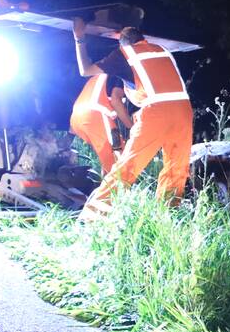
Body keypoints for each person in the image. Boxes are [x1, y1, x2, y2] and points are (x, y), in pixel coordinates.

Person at [73, 18, 194, 219]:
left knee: (128, 166)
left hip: (157, 112)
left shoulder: (125, 54)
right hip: (183, 111)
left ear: (122, 41)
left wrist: (79, 38)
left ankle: (93, 217)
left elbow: (85, 70)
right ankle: (168, 217)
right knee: (176, 168)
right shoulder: (162, 51)